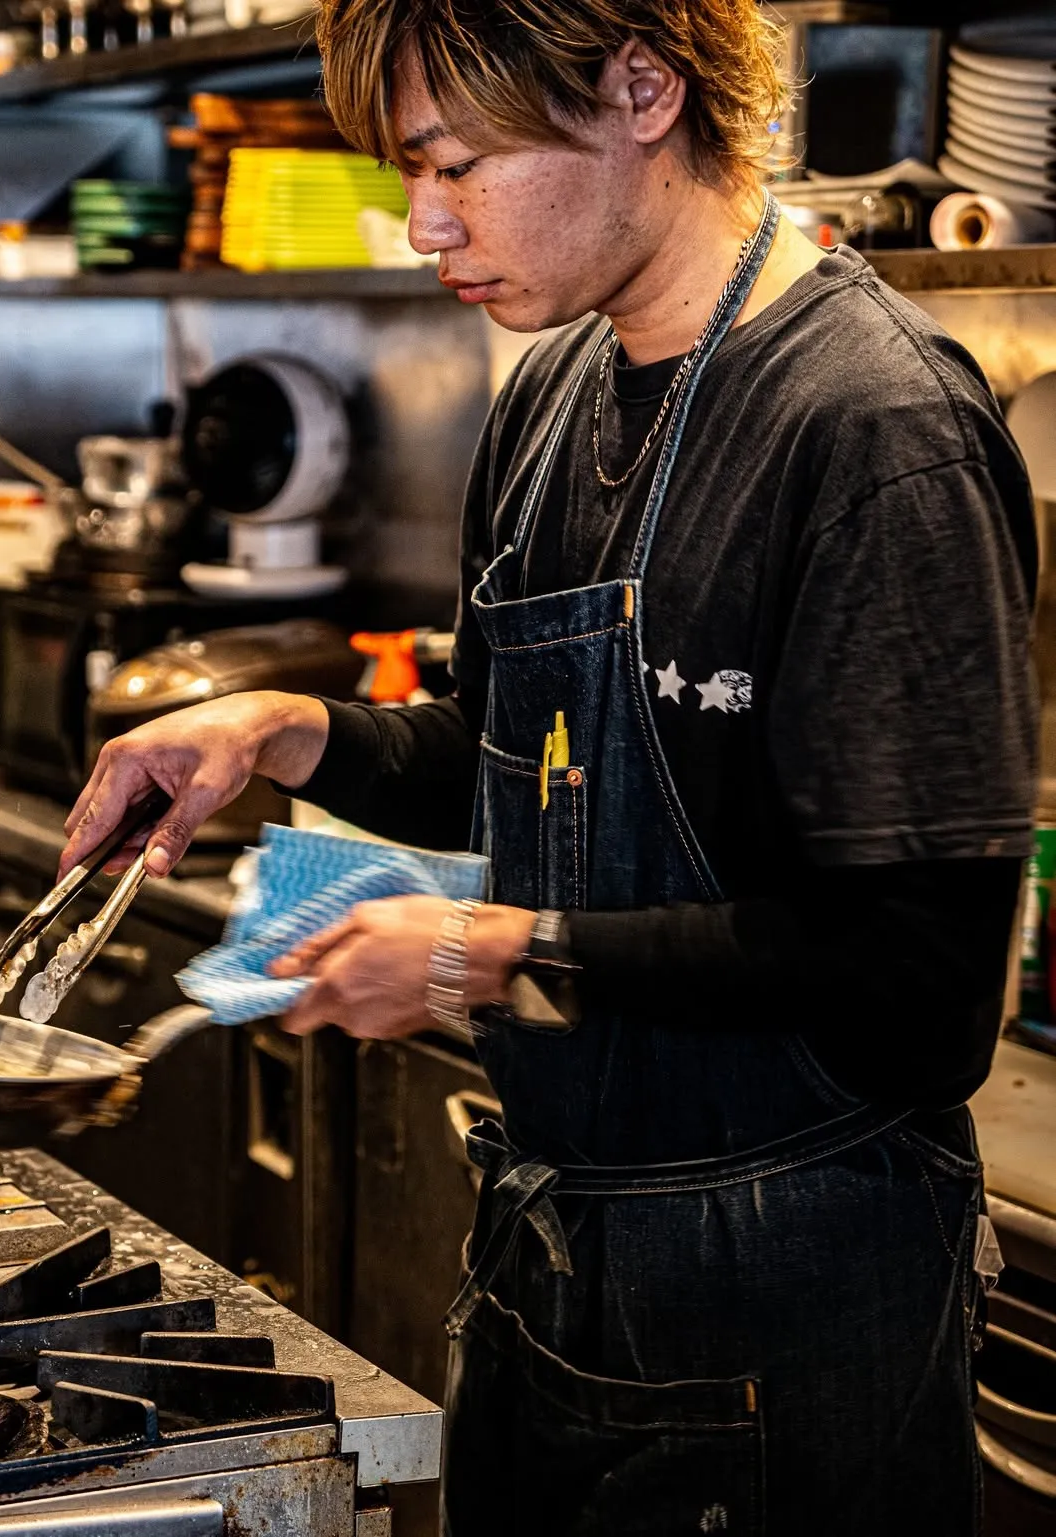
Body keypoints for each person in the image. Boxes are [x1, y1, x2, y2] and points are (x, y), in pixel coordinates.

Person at [60, 1, 1037, 1531]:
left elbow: (917, 979)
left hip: (792, 1289)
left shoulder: (872, 423)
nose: (421, 224)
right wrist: (280, 735)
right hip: (553, 1251)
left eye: (455, 165)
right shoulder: (549, 395)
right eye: (407, 174)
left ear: (642, 89)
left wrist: (486, 958)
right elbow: (519, 770)